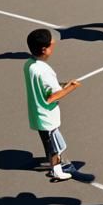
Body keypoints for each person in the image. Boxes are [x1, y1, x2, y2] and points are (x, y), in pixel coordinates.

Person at [23, 28, 81, 182]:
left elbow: (44, 87)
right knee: (54, 145)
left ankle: (54, 163)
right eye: (51, 45)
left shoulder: (29, 65)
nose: (53, 46)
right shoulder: (45, 71)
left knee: (48, 142)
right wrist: (71, 87)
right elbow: (51, 97)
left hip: (37, 112)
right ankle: (56, 170)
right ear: (44, 49)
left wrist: (61, 84)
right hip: (47, 116)